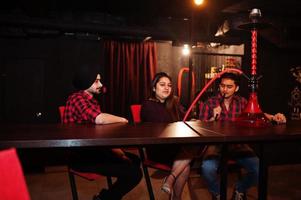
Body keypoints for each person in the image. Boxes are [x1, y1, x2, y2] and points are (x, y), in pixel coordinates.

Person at [198, 72, 286, 200]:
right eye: (222, 86)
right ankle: (218, 193)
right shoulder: (210, 103)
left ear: (236, 88)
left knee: (259, 168)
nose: (225, 89)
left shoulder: (242, 102)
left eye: (229, 87)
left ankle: (240, 189)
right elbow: (201, 128)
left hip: (237, 144)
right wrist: (213, 118)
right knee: (207, 169)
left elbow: (258, 114)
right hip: (216, 145)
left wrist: (274, 117)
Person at [63, 65, 143, 200]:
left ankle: (107, 197)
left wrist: (118, 152)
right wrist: (123, 120)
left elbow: (100, 134)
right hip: (81, 155)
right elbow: (99, 119)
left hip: (95, 150)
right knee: (134, 173)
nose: (100, 84)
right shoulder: (76, 98)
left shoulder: (91, 100)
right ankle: (105, 198)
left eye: (99, 80)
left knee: (135, 160)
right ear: (85, 82)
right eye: (96, 81)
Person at [141, 72, 199, 200]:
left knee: (192, 153)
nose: (167, 88)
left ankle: (171, 184)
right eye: (162, 85)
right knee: (188, 157)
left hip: (174, 146)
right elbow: (162, 128)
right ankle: (174, 188)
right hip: (158, 148)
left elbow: (186, 118)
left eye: (169, 85)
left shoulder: (172, 103)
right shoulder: (148, 105)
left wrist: (193, 120)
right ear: (154, 88)